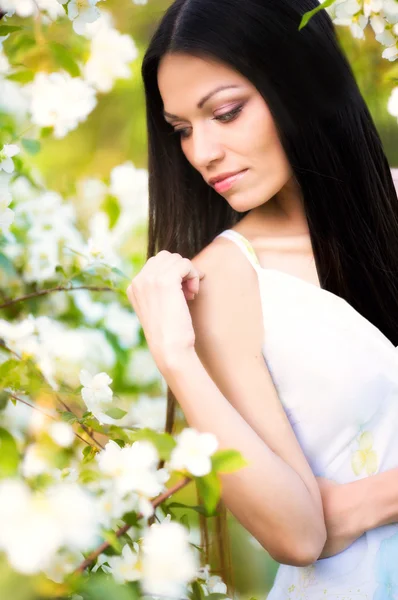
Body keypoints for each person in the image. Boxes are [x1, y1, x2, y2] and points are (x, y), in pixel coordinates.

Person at [126, 0, 398, 597]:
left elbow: (324, 522)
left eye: (225, 112)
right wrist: (177, 358)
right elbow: (298, 536)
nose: (202, 153)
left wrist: (353, 505)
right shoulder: (224, 281)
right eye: (183, 130)